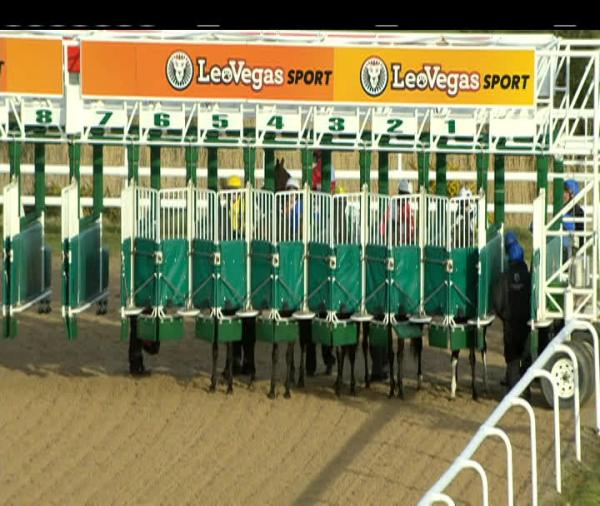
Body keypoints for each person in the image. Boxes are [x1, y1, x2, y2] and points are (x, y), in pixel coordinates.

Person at [493, 235, 532, 392]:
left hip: (510, 324)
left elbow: (497, 302)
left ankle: (513, 390)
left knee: (511, 358)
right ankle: (525, 390)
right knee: (525, 356)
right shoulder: (529, 277)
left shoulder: (504, 277)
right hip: (526, 323)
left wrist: (504, 317)